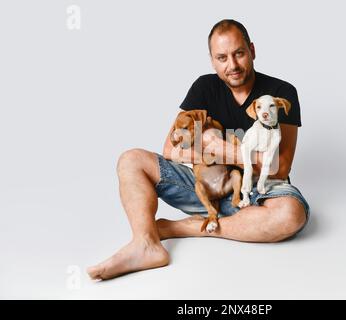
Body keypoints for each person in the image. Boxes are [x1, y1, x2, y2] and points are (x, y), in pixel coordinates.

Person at [87, 19, 310, 281]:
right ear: (212, 60)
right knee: (131, 160)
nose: (232, 65)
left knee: (291, 214)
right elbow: (170, 148)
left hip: (257, 192)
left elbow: (280, 167)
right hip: (206, 188)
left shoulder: (280, 93)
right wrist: (213, 154)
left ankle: (190, 227)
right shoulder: (204, 87)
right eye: (222, 57)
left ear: (252, 50)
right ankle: (146, 243)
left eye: (239, 53)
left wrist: (222, 148)